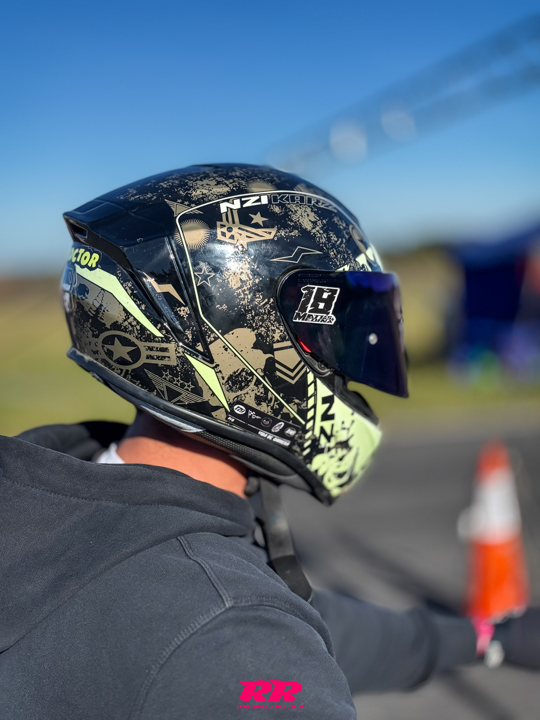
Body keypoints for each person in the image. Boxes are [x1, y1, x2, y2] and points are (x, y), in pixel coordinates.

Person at [1, 164, 538, 719]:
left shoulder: (58, 498)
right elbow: (256, 645)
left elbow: (299, 617)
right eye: (336, 340)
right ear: (232, 338)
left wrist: (487, 638)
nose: (350, 371)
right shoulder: (230, 630)